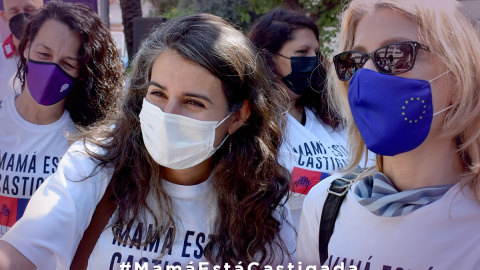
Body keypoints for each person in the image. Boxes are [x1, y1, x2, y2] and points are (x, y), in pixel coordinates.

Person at [0, 12, 295, 269]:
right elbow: (20, 251)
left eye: (193, 102)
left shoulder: (261, 204)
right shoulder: (93, 166)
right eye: (158, 94)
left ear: (238, 116)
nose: (167, 114)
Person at [297, 0, 480, 268]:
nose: (366, 76)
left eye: (395, 54)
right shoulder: (323, 205)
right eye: (355, 62)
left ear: (460, 75)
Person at [0, 1, 123, 238]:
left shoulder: (88, 143)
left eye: (68, 64)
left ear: (82, 72)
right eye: (43, 54)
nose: (51, 69)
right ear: (26, 48)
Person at [248, 8, 351, 230]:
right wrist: (342, 185)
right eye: (302, 52)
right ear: (269, 58)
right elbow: (275, 179)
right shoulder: (252, 121)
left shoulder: (332, 116)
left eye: (316, 51)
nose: (314, 60)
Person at [0, 0, 44, 100]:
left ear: (44, 13)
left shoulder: (56, 57)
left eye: (29, 10)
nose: (22, 17)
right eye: (14, 11)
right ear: (4, 17)